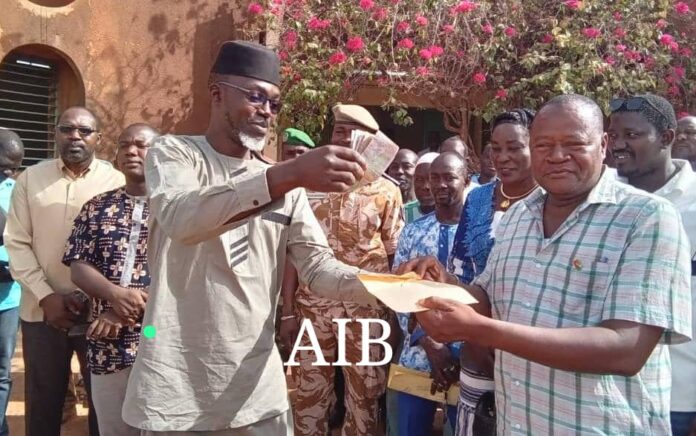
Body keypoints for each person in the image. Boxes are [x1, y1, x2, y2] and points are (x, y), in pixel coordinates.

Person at [121, 41, 381, 435]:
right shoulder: (175, 154)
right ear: (217, 93)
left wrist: (395, 288)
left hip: (256, 393)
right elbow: (182, 219)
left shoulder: (286, 185)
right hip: (176, 389)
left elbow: (318, 268)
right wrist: (288, 175)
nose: (266, 111)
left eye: (274, 103)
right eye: (255, 96)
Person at [398, 94, 692, 434]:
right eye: (543, 145)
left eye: (573, 143)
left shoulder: (647, 218)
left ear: (603, 144)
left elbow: (626, 349)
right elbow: (490, 299)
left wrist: (479, 330)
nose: (556, 156)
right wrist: (443, 284)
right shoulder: (518, 216)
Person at [4, 107, 125, 436]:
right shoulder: (30, 179)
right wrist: (46, 297)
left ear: (98, 138)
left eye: (85, 131)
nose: (75, 136)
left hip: (99, 315)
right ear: (56, 134)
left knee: (102, 405)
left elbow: (121, 250)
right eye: (67, 129)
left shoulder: (116, 182)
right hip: (41, 312)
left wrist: (91, 295)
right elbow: (16, 242)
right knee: (43, 405)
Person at [290, 104, 404, 436]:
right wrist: (287, 312)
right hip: (313, 307)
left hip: (366, 309)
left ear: (369, 141)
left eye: (353, 134)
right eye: (339, 131)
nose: (344, 139)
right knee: (309, 389)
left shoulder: (387, 191)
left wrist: (392, 315)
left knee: (365, 392)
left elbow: (394, 253)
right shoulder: (307, 187)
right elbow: (292, 253)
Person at [62, 123, 159, 436]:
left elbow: (187, 271)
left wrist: (123, 309)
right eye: (124, 145)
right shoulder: (97, 207)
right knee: (113, 428)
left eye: (141, 145)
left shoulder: (177, 209)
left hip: (159, 337)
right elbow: (78, 265)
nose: (131, 151)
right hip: (108, 344)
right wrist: (115, 296)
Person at [608, 94, 696, 436]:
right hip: (608, 390)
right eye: (614, 136)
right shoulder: (601, 197)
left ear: (667, 138)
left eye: (631, 135)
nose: (618, 145)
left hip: (681, 396)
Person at [447, 109, 536, 435]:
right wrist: (472, 336)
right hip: (477, 344)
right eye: (496, 148)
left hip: (532, 345)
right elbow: (459, 268)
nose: (503, 157)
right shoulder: (477, 199)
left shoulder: (551, 201)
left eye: (515, 147)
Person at [391, 152, 468, 435]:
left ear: (466, 181)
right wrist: (431, 344)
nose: (440, 184)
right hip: (418, 355)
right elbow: (399, 292)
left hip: (466, 361)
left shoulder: (481, 235)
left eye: (449, 177)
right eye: (435, 178)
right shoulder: (412, 232)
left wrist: (453, 352)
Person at [0, 129, 23, 436]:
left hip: (8, 298)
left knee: (2, 370)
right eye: (4, 166)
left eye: (15, 167)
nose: (9, 173)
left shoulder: (17, 191)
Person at [387, 148, 419, 223]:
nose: (399, 171)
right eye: (394, 167)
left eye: (407, 166)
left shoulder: (426, 209)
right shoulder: (380, 207)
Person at [411, 152, 438, 219]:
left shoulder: (456, 215)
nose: (425, 186)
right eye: (419, 179)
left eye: (432, 179)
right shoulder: (403, 213)